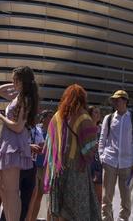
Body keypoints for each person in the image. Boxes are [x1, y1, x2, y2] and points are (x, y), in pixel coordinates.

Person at [43, 83, 100, 221]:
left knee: (60, 209)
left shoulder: (56, 116)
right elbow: (89, 149)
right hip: (77, 170)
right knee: (77, 210)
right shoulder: (83, 117)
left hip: (57, 170)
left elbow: (49, 144)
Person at [0, 67, 38, 221]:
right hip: (8, 142)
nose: (13, 83)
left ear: (22, 81)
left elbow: (18, 127)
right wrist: (16, 84)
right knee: (2, 188)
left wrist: (0, 116)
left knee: (11, 191)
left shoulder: (25, 99)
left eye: (15, 80)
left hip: (14, 143)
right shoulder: (19, 96)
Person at [98, 89, 133, 221]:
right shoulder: (109, 118)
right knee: (106, 197)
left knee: (126, 198)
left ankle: (123, 219)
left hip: (127, 164)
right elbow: (102, 138)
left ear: (125, 101)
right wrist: (102, 157)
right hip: (109, 161)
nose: (115, 102)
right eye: (114, 100)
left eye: (118, 100)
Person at [24, 111, 49, 221]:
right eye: (49, 117)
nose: (51, 119)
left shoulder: (52, 132)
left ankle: (32, 219)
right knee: (31, 195)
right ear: (43, 119)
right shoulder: (37, 129)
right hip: (33, 164)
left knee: (39, 196)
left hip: (44, 166)